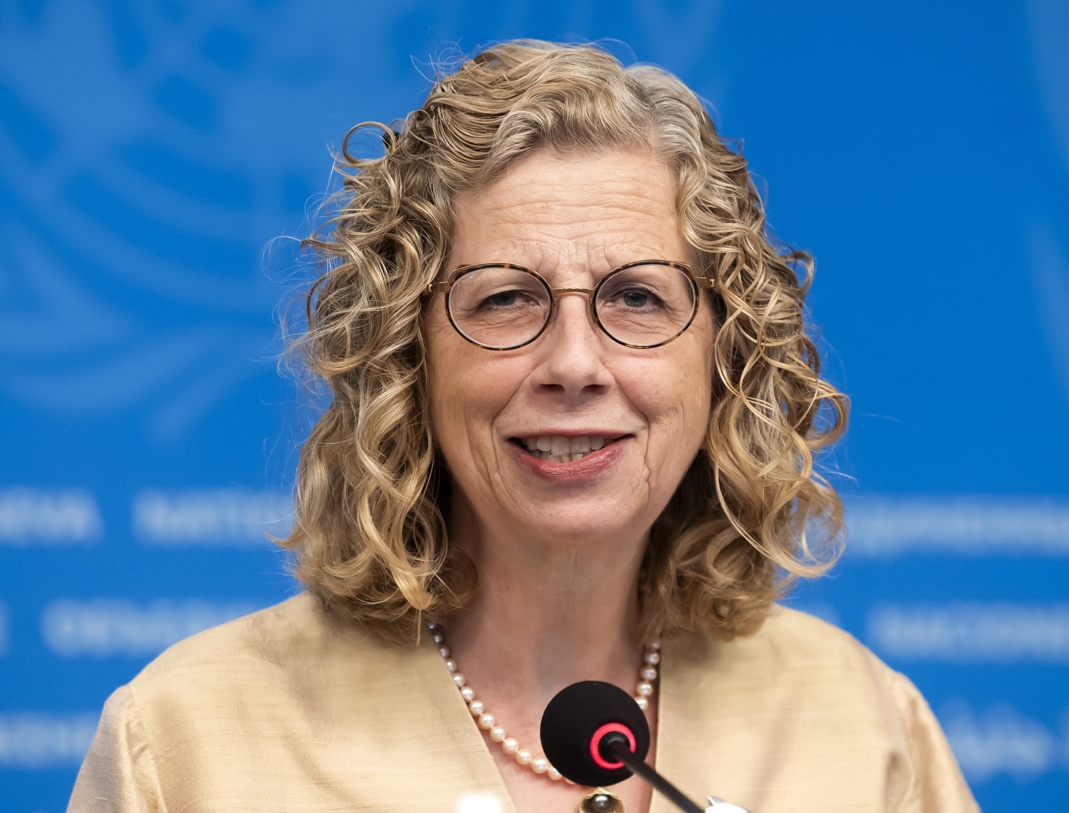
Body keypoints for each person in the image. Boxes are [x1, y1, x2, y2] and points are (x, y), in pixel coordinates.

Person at [68, 41, 977, 813]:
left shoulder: (864, 731)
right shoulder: (187, 743)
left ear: (722, 354)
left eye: (636, 295)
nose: (575, 364)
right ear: (405, 356)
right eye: (505, 299)